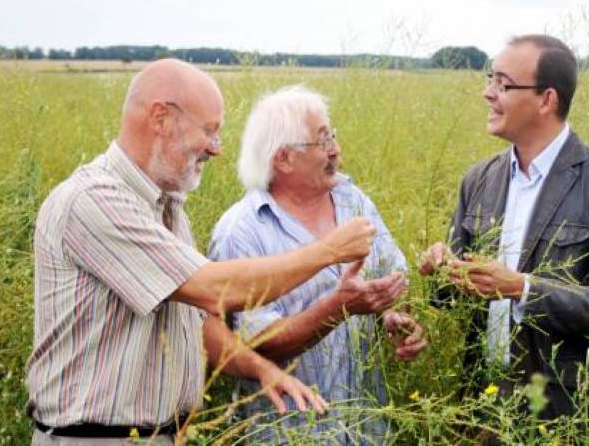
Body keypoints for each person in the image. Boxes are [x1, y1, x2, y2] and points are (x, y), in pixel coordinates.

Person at [26, 59, 378, 445]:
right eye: (209, 131)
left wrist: (261, 370)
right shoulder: (93, 201)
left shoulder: (167, 208)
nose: (216, 148)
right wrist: (328, 251)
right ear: (160, 118)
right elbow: (214, 289)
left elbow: (198, 322)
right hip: (96, 438)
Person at [419, 34, 589, 420]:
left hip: (565, 413)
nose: (488, 94)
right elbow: (450, 301)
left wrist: (522, 289)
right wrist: (442, 271)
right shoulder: (479, 180)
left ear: (546, 99)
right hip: (482, 400)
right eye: (490, 81)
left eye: (503, 84)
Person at [209, 85, 427, 443]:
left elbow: (391, 272)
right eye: (322, 141)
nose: (336, 150)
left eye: (333, 137)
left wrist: (390, 313)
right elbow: (259, 342)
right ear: (283, 158)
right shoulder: (242, 231)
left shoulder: (351, 199)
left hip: (365, 431)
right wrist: (338, 307)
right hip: (293, 434)